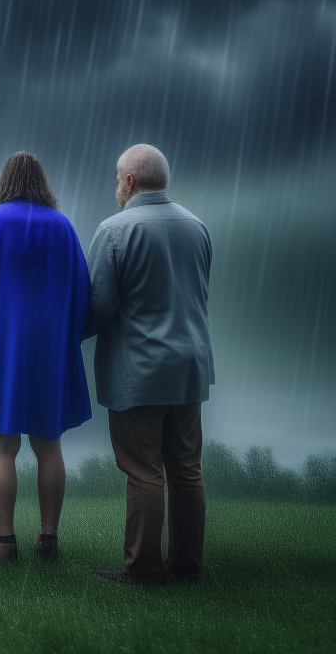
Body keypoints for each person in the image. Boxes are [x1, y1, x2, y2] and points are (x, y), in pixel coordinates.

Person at [86, 144, 214, 585]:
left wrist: (60, 332)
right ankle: (186, 568)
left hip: (139, 370)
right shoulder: (197, 227)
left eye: (116, 180)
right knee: (186, 468)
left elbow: (98, 308)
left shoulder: (115, 229)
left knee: (143, 471)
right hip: (190, 366)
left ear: (129, 182)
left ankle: (142, 570)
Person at [0, 151, 92, 562]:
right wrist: (67, 337)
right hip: (49, 352)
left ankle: (4, 541)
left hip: (0, 351)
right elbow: (84, 296)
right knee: (49, 446)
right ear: (43, 183)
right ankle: (48, 539)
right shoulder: (63, 227)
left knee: (1, 449)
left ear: (4, 182)